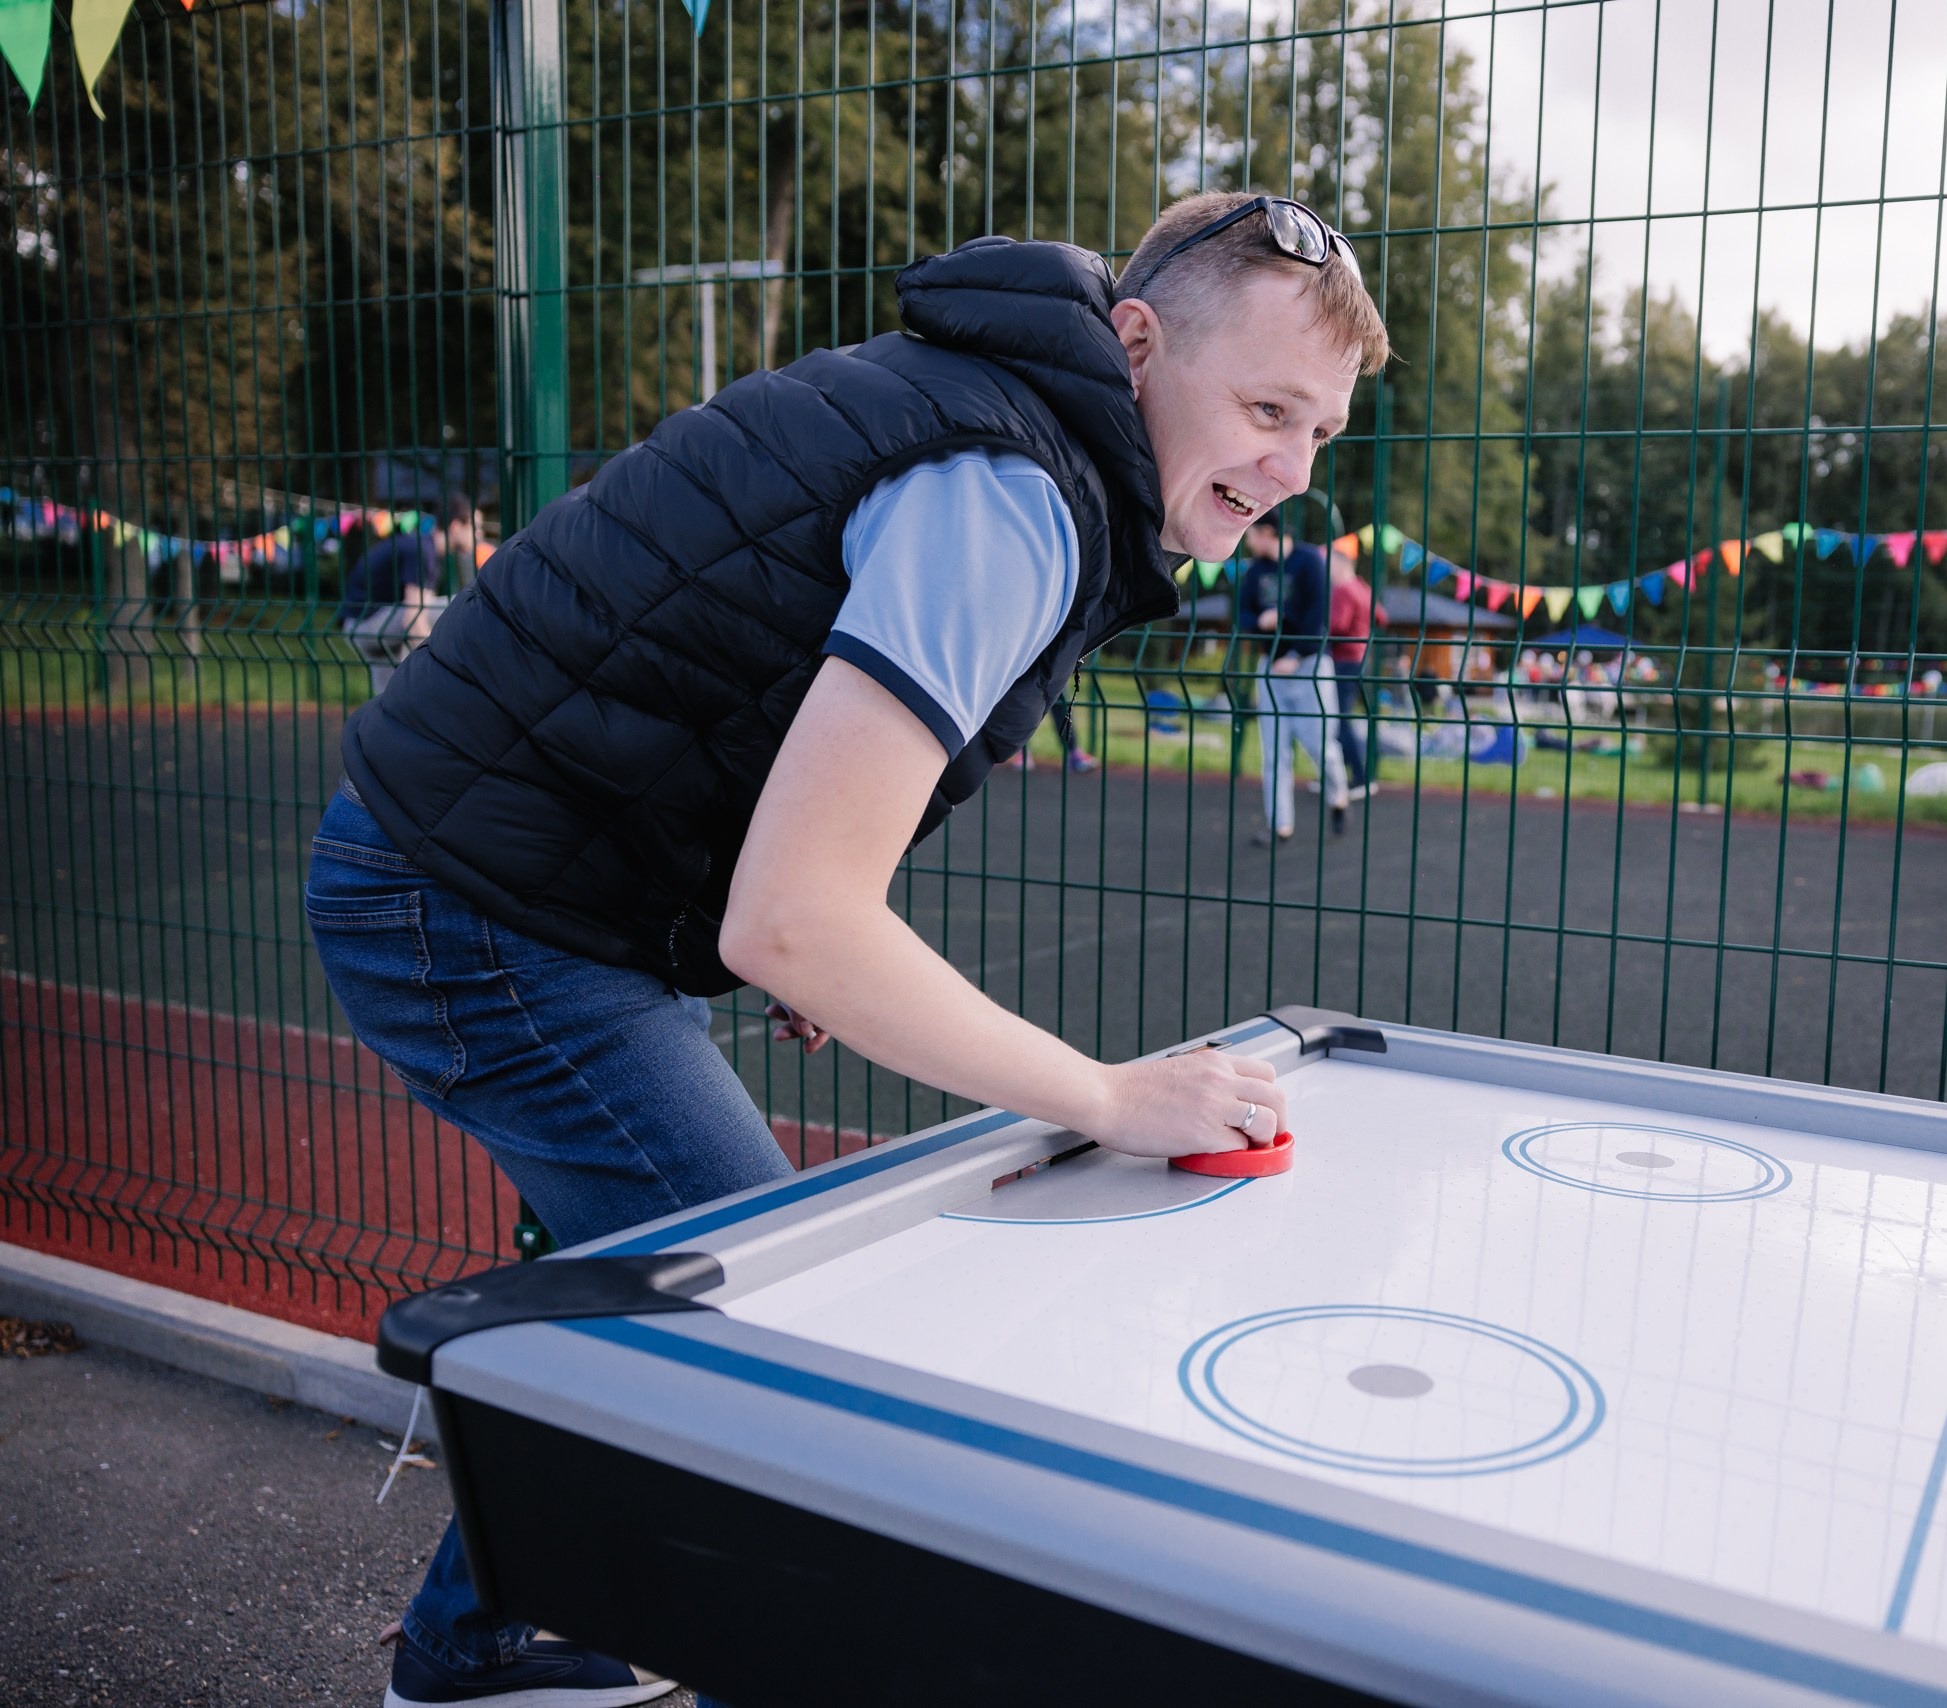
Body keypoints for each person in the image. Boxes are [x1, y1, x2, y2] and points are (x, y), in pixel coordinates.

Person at [310, 192, 1387, 1708]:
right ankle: (500, 1649)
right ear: (1135, 344)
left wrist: (747, 934)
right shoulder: (1016, 494)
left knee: (682, 1271)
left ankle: (495, 1630)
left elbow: (723, 694)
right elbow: (801, 916)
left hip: (501, 863)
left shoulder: (995, 414)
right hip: (464, 896)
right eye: (1268, 407)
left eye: (1323, 432)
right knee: (752, 1295)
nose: (1292, 466)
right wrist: (1107, 1095)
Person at [1237, 513, 1350, 842]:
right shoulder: (1256, 570)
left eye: (1251, 533)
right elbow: (1243, 612)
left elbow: (1318, 615)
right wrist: (1261, 620)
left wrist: (1296, 653)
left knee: (1321, 747)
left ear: (1268, 532)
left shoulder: (1310, 562)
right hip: (1270, 669)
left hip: (1308, 667)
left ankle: (1338, 797)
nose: (1247, 540)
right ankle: (1279, 824)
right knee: (1274, 753)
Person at [339, 496, 476, 695]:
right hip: (365, 626)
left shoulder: (424, 548)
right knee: (465, 602)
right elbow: (413, 620)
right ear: (456, 526)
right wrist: (443, 665)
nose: (478, 534)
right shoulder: (423, 552)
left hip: (371, 624)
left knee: (392, 703)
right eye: (475, 526)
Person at [1328, 543, 1376, 796]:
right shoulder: (1363, 588)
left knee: (1338, 719)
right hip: (1360, 658)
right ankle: (1352, 776)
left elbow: (1337, 624)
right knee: (1342, 718)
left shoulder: (1344, 590)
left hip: (1343, 659)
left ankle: (1359, 777)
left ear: (1341, 565)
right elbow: (1382, 616)